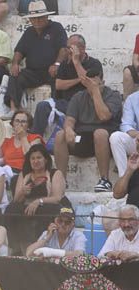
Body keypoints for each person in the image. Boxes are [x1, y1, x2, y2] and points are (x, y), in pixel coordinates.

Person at [54, 63, 123, 194]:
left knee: (100, 133)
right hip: (82, 138)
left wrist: (96, 92)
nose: (91, 87)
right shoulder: (79, 96)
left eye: (95, 83)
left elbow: (104, 116)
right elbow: (69, 120)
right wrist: (69, 129)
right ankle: (61, 180)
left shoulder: (113, 95)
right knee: (60, 135)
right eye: (89, 84)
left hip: (105, 139)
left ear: (102, 82)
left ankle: (104, 180)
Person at [5, 2, 67, 117]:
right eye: (34, 18)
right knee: (15, 75)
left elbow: (63, 48)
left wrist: (57, 64)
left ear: (46, 16)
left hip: (52, 71)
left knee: (59, 80)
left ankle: (58, 112)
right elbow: (19, 50)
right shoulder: (29, 32)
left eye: (40, 18)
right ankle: (14, 109)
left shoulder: (56, 28)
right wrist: (15, 63)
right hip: (33, 72)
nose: (37, 21)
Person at [34, 33, 102, 138]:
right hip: (67, 103)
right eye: (67, 47)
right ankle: (35, 139)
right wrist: (79, 79)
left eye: (71, 48)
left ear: (82, 49)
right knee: (42, 106)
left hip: (86, 105)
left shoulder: (94, 63)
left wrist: (76, 62)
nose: (68, 51)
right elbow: (58, 85)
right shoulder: (65, 63)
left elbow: (89, 83)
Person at [4, 143, 68, 254]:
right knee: (11, 209)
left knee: (48, 210)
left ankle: (42, 245)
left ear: (46, 160)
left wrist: (39, 201)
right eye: (32, 158)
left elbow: (57, 198)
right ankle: (15, 246)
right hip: (26, 206)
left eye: (39, 157)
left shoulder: (55, 173)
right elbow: (16, 200)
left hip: (47, 204)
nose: (35, 161)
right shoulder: (24, 174)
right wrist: (22, 192)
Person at [109, 86, 139, 184]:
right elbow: (126, 124)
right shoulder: (132, 98)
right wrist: (137, 134)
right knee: (116, 137)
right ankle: (125, 181)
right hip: (138, 140)